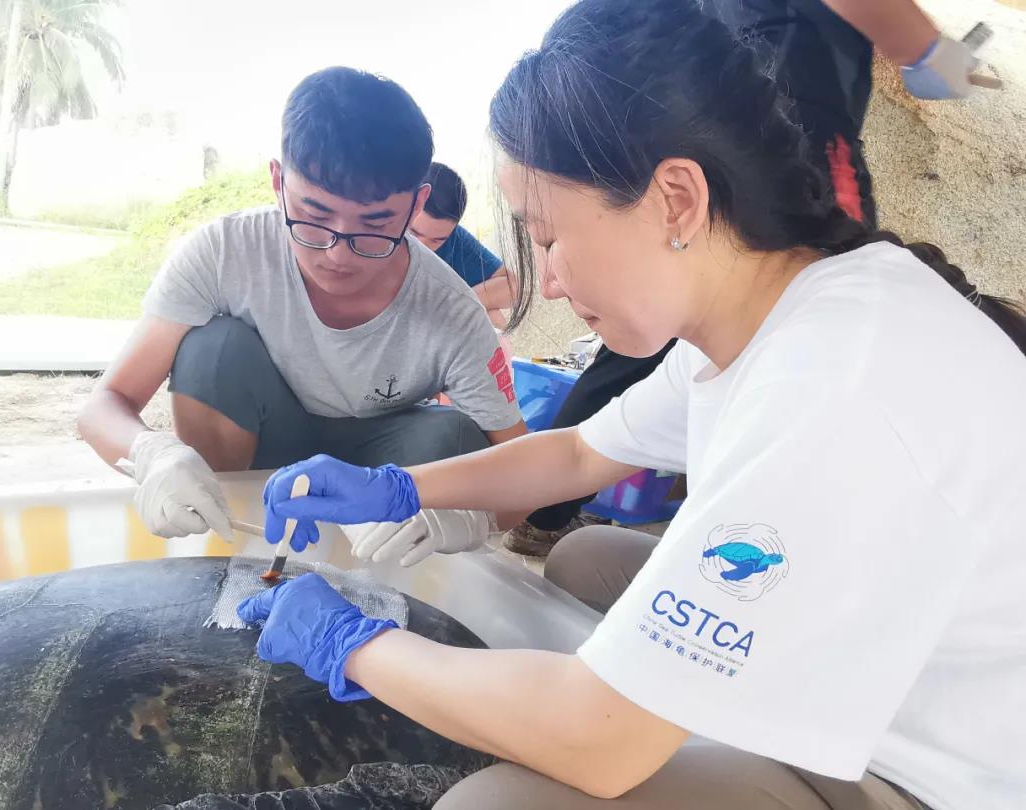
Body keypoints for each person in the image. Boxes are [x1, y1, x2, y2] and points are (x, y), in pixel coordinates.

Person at [236, 0, 1026, 808]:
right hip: (862, 662)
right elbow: (581, 453)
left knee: (493, 804)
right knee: (585, 560)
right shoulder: (767, 314)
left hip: (923, 771)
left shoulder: (830, 387)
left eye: (547, 237)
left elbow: (600, 747)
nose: (548, 282)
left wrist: (353, 645)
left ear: (676, 199)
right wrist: (399, 487)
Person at [502, 0, 988, 556]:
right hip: (792, 129)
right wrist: (929, 53)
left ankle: (713, 526)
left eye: (548, 240)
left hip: (728, 120)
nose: (549, 285)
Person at [77, 67, 525, 542]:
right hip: (261, 450)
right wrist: (153, 453)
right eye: (314, 216)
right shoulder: (226, 252)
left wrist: (473, 519)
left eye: (374, 227)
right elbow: (104, 405)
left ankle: (400, 560)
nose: (338, 255)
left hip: (378, 475)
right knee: (213, 350)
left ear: (416, 207)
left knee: (453, 437)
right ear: (278, 181)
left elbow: (523, 470)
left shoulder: (451, 310)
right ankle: (225, 531)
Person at [409, 161, 516, 329]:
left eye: (436, 240)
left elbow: (512, 287)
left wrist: (452, 305)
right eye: (413, 233)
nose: (422, 247)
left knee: (487, 313)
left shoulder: (454, 240)